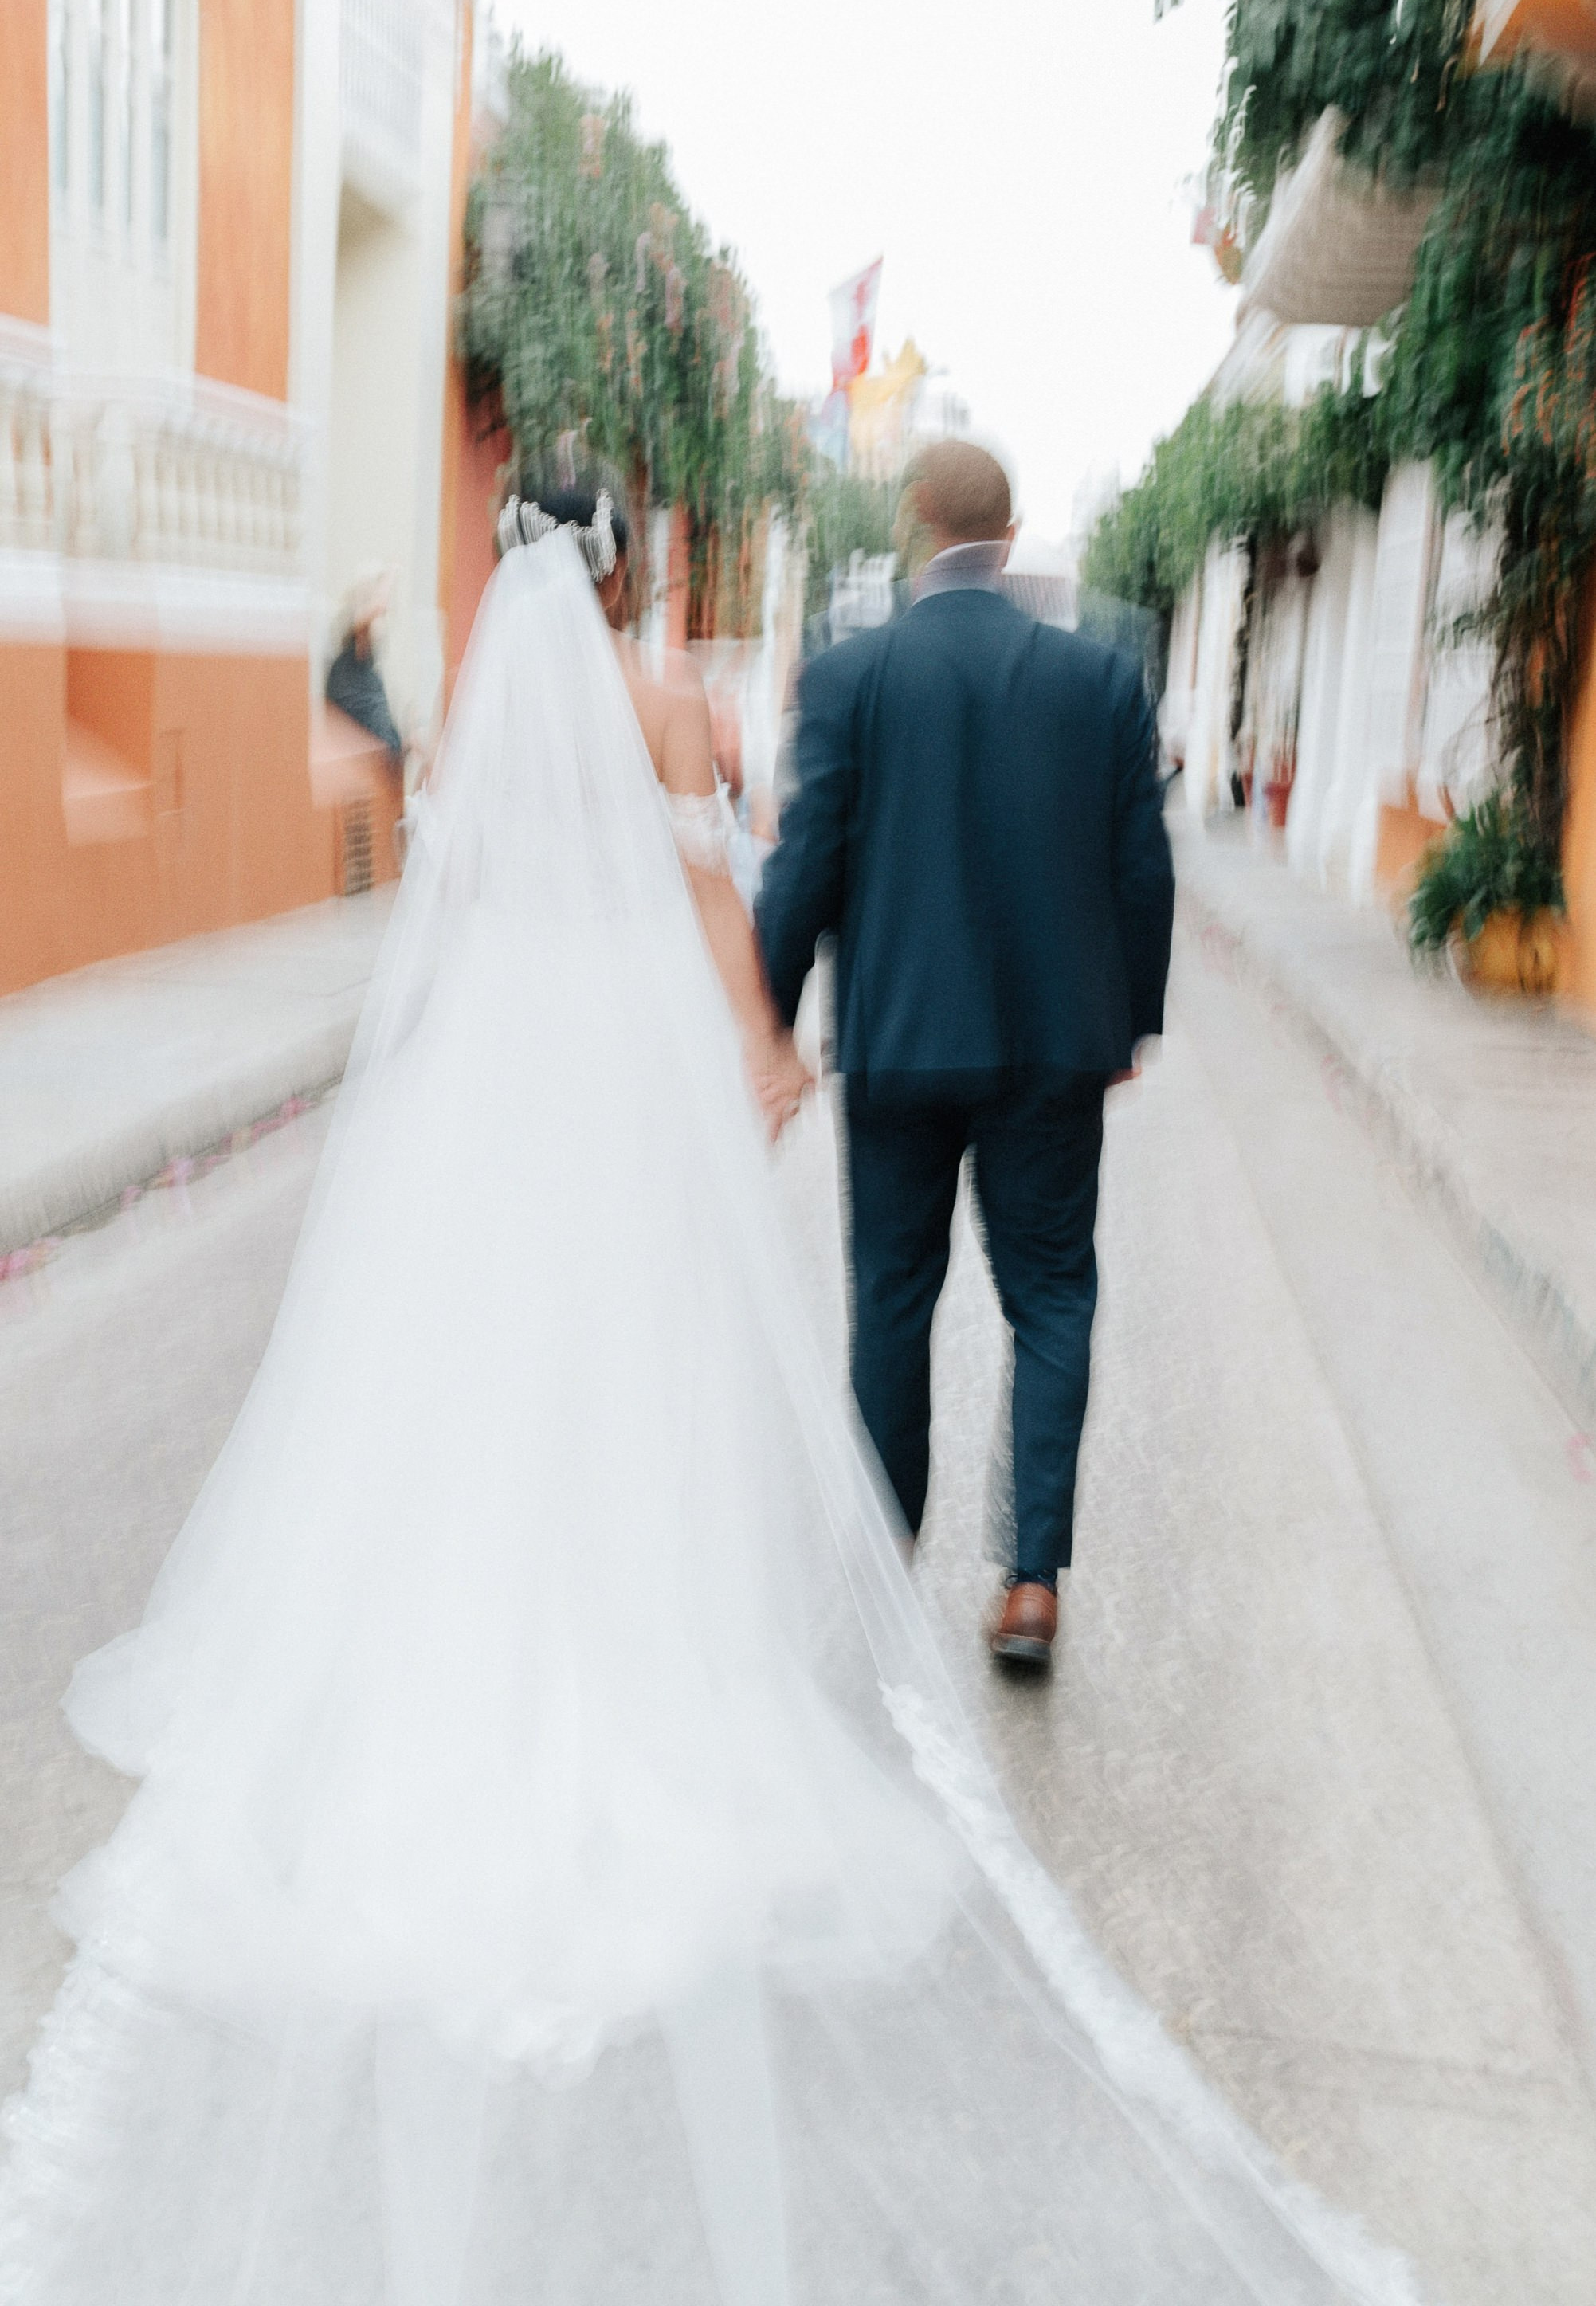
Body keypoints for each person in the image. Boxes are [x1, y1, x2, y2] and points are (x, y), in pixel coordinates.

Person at [0, 475, 1418, 2306]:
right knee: (961, 1307)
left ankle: (705, 1572)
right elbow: (740, 873)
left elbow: (572, 877)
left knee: (553, 1365)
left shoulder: (555, 714)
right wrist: (769, 1034)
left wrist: (773, 1010)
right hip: (773, 1063)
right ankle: (994, 1569)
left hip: (526, 1084)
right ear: (624, 568)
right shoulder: (742, 700)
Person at [755, 440, 1176, 1671]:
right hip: (1051, 1051)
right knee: (1049, 1301)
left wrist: (764, 1020)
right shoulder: (1100, 683)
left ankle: (883, 1566)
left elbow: (803, 870)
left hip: (896, 1048)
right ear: (1010, 527)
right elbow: (1139, 872)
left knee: (889, 1300)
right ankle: (1030, 1583)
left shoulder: (848, 679)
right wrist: (1125, 1027)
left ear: (912, 521)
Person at [325, 568, 406, 764]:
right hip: (364, 766)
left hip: (381, 762)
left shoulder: (367, 665)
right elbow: (378, 607)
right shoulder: (354, 650)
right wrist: (390, 573)